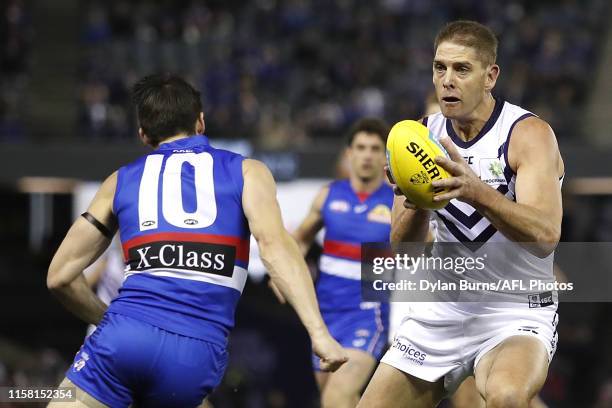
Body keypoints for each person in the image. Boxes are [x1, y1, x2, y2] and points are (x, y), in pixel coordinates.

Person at [46, 73, 347, 408]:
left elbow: (60, 277)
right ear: (201, 122)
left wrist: (112, 322)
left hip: (122, 339)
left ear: (143, 134)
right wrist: (318, 333)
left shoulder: (118, 182)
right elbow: (276, 251)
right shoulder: (248, 172)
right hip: (193, 354)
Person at [358, 20, 564, 407]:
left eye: (462, 69)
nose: (447, 80)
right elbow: (405, 253)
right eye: (440, 68)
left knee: (505, 397)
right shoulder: (419, 136)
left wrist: (476, 191)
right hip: (443, 310)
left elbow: (545, 236)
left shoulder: (527, 134)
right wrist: (417, 199)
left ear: (491, 76)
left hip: (516, 309)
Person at [291, 118, 394, 407]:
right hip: (324, 318)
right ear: (349, 153)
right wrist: (284, 272)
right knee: (333, 398)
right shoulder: (328, 195)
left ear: (385, 157)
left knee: (337, 396)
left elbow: (424, 249)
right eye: (361, 147)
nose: (367, 155)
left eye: (375, 149)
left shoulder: (397, 202)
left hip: (368, 315)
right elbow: (299, 240)